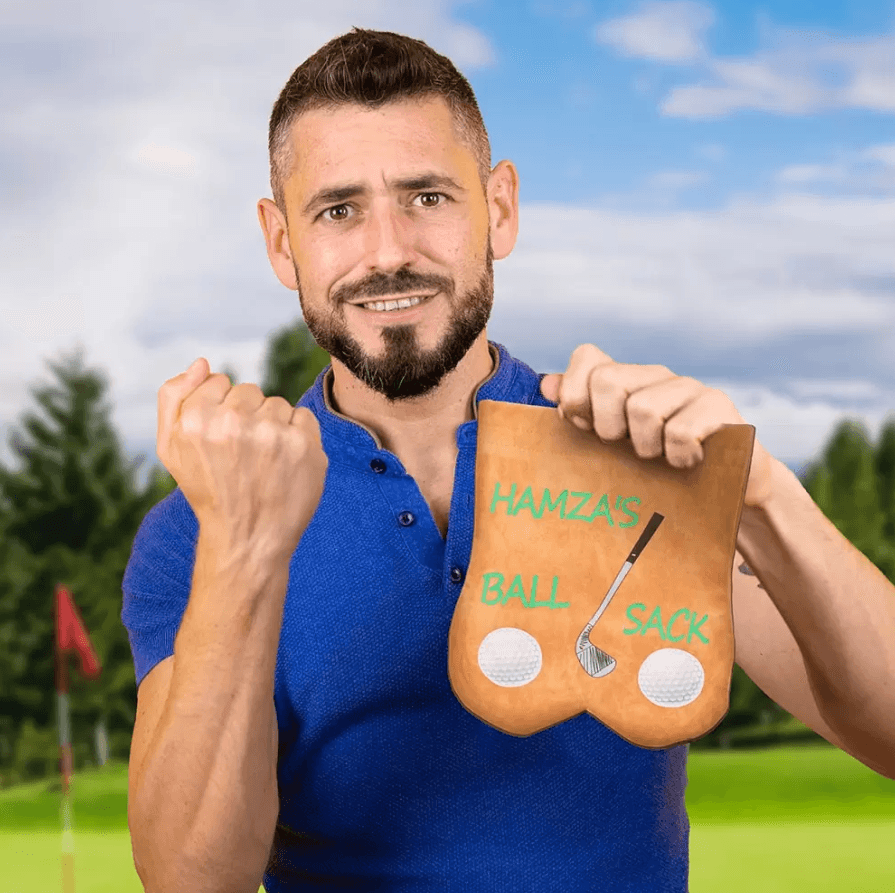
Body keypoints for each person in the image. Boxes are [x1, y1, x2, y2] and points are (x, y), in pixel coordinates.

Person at [122, 27, 895, 893]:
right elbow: (190, 881)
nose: (387, 251)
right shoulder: (199, 528)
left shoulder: (641, 463)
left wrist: (756, 497)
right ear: (280, 242)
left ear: (499, 209)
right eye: (338, 210)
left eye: (427, 198)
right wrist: (244, 546)